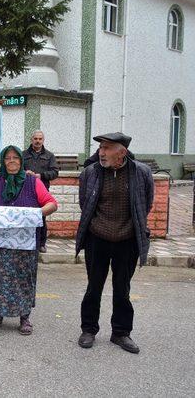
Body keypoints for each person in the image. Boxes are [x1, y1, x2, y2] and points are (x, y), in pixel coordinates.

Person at [76, 133, 153, 354]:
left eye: (107, 148)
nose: (101, 153)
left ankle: (121, 333)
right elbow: (86, 204)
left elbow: (144, 204)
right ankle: (88, 329)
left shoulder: (141, 173)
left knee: (122, 289)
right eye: (100, 148)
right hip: (97, 238)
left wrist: (129, 227)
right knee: (94, 287)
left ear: (122, 152)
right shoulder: (91, 173)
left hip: (127, 241)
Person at [0, 145, 57, 335]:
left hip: (26, 244)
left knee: (23, 279)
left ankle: (24, 317)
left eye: (15, 158)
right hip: (0, 243)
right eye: (7, 158)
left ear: (21, 160)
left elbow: (52, 204)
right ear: (3, 161)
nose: (12, 161)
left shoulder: (33, 182)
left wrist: (36, 214)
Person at [22, 130, 58, 253]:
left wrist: (40, 176)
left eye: (40, 139)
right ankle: (26, 240)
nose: (37, 141)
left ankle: (42, 243)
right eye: (35, 139)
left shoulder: (49, 156)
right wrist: (25, 173)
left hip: (42, 191)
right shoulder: (23, 154)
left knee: (41, 216)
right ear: (31, 140)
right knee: (25, 216)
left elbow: (55, 172)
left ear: (43, 140)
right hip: (25, 190)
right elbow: (17, 169)